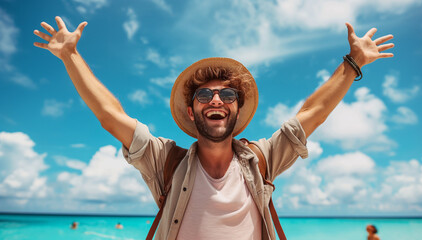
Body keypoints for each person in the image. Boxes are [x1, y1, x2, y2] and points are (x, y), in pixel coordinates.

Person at [34, 16, 394, 240]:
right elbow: (111, 116)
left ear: (237, 109)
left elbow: (312, 113)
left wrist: (353, 63)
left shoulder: (263, 157)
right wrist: (70, 56)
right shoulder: (166, 161)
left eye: (228, 94)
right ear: (191, 112)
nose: (216, 100)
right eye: (204, 94)